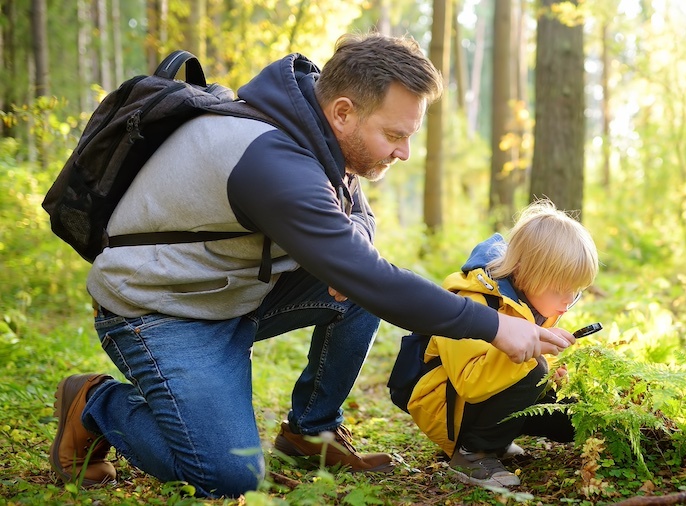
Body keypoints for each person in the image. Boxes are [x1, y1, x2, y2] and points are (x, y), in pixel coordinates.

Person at [48, 33, 575, 498]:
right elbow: (370, 276)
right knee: (227, 478)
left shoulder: (315, 135)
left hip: (231, 291)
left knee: (361, 289)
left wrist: (346, 264)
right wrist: (493, 325)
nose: (405, 152)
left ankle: (311, 432)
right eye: (394, 135)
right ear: (343, 111)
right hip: (160, 311)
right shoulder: (272, 161)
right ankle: (94, 404)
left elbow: (359, 232)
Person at [402, 200, 599, 488]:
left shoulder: (533, 301)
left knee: (570, 414)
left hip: (483, 398)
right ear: (523, 272)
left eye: (576, 291)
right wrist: (537, 355)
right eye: (560, 289)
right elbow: (471, 382)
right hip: (446, 408)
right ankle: (472, 454)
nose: (568, 301)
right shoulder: (472, 302)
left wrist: (557, 371)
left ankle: (495, 439)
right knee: (533, 371)